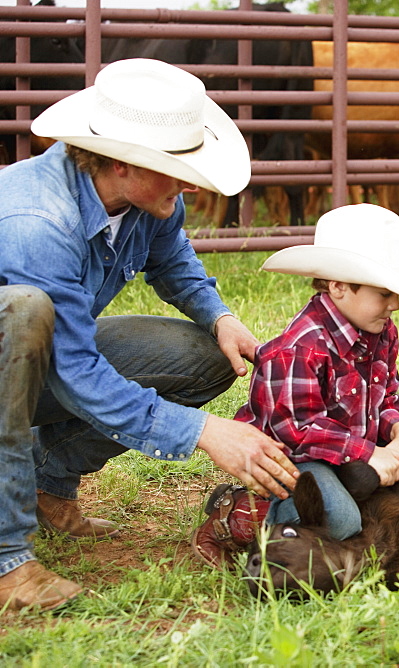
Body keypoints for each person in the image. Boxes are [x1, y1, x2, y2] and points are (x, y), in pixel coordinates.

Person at [0, 58, 300, 612]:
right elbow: (77, 375)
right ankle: (8, 563)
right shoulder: (36, 221)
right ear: (120, 163)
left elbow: (174, 262)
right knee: (23, 310)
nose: (188, 181)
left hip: (44, 359)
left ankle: (50, 484)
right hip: (13, 364)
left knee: (204, 356)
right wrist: (204, 432)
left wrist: (220, 318)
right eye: (173, 165)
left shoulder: (150, 199)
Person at [190, 203, 399, 568]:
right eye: (384, 293)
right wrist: (369, 455)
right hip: (292, 454)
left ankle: (356, 483)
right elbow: (297, 431)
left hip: (347, 437)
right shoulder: (300, 346)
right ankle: (240, 516)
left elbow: (384, 398)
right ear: (338, 287)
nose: (395, 304)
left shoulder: (380, 331)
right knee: (341, 522)